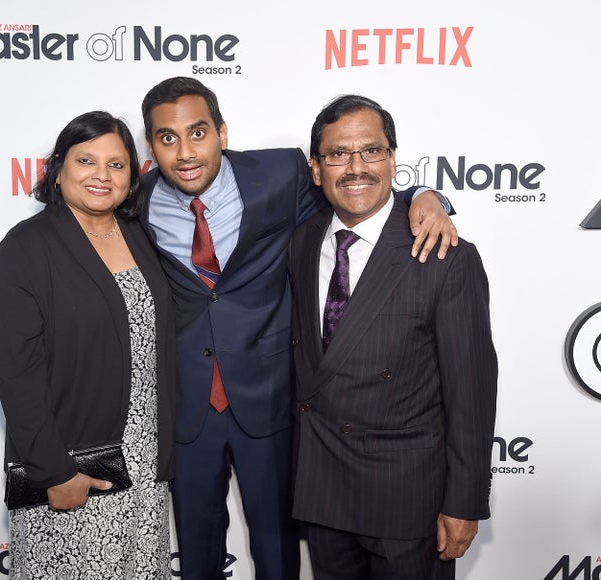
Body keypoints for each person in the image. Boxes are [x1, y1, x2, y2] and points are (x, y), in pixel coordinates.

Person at [138, 76, 457, 580]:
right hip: (185, 407)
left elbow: (356, 187)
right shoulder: (136, 196)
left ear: (222, 131)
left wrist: (424, 194)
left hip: (270, 399)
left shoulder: (281, 173)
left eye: (198, 132)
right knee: (196, 553)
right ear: (151, 146)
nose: (185, 152)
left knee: (278, 551)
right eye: (167, 138)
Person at [289, 94, 498, 580]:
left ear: (393, 160)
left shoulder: (446, 255)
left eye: (372, 151)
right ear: (316, 170)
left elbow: (471, 392)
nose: (356, 167)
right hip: (322, 493)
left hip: (408, 503)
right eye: (338, 154)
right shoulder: (302, 241)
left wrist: (465, 501)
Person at [0, 111, 176, 579]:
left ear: (133, 175)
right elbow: (17, 372)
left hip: (143, 460)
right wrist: (55, 472)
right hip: (75, 465)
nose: (101, 175)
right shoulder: (27, 245)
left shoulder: (137, 234)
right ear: (59, 167)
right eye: (86, 160)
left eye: (116, 164)